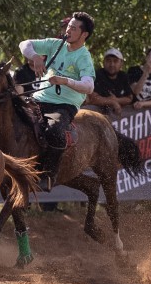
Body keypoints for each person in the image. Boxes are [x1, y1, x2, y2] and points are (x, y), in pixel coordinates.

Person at [19, 12, 96, 191]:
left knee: (54, 131)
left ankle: (49, 175)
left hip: (63, 106)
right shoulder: (55, 44)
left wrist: (66, 81)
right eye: (69, 26)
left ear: (84, 35)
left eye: (74, 28)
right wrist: (35, 56)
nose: (68, 30)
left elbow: (89, 86)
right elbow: (25, 44)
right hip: (37, 99)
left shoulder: (84, 57)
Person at [86, 48, 133, 115]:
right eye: (108, 61)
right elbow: (93, 98)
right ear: (103, 62)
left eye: (115, 61)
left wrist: (116, 100)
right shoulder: (97, 75)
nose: (112, 64)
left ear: (121, 63)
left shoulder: (123, 76)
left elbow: (129, 98)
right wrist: (112, 102)